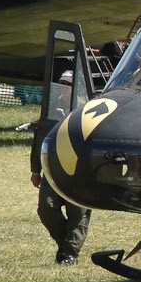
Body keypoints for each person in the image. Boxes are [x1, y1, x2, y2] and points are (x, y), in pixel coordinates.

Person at [29, 70, 90, 266]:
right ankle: (65, 246)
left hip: (80, 172)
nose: (63, 87)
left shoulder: (88, 109)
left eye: (68, 84)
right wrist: (35, 170)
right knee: (45, 208)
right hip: (54, 169)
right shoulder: (50, 110)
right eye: (61, 83)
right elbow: (39, 140)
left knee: (78, 213)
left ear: (77, 88)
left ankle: (70, 254)